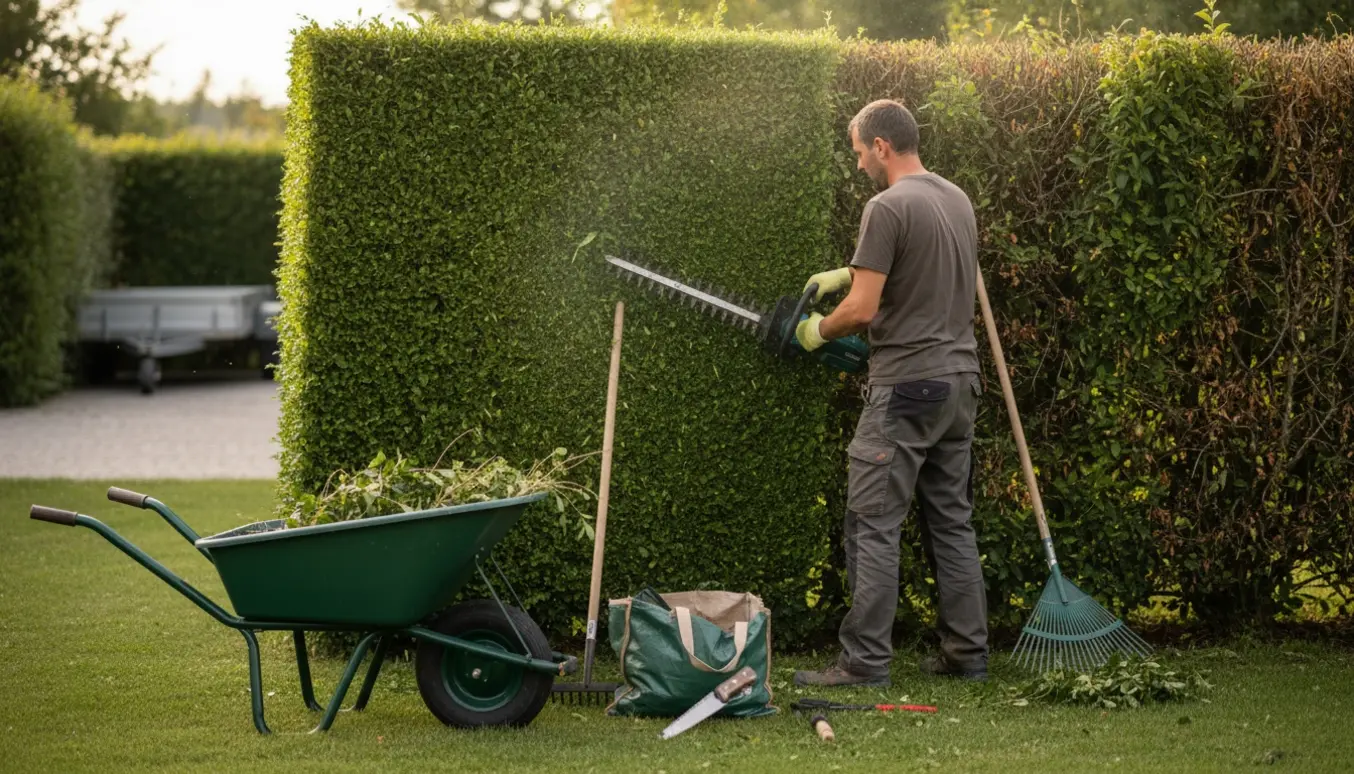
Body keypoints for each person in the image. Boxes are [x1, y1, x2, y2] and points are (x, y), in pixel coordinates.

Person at [792, 99, 989, 687]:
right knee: (952, 521)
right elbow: (915, 268)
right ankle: (967, 655)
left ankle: (864, 662)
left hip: (907, 385)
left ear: (881, 146)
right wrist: (849, 270)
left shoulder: (886, 206)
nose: (857, 166)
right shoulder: (955, 198)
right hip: (960, 384)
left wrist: (815, 330)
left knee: (873, 522)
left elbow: (862, 311)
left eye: (858, 152)